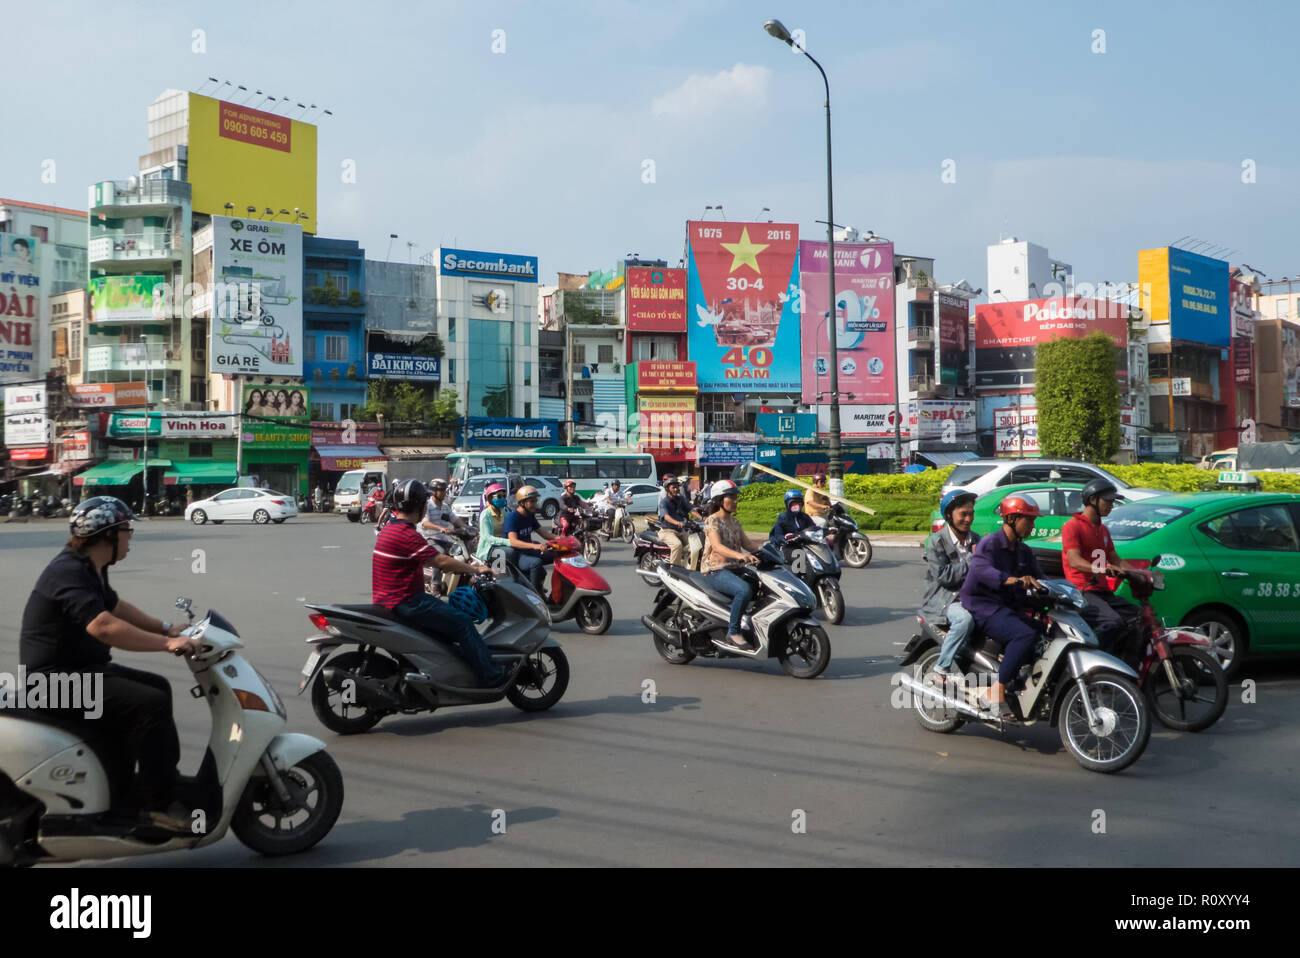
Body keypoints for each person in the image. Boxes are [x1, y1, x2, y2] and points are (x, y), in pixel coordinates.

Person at [19, 497, 201, 831]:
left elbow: (115, 607)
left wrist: (165, 628)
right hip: (51, 685)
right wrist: (167, 644)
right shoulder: (69, 571)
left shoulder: (88, 568)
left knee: (156, 686)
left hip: (77, 675)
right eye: (126, 531)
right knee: (152, 703)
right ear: (108, 535)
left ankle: (133, 788)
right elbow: (103, 626)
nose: (130, 538)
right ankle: (158, 804)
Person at [372, 479, 503, 685]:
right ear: (420, 506)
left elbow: (455, 522)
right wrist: (476, 569)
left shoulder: (390, 529)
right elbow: (441, 561)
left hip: (391, 600)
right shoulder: (406, 534)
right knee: (463, 623)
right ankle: (491, 675)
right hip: (408, 602)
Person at [958, 496, 1048, 714]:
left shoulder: (1023, 550)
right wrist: (1015, 580)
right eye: (1029, 520)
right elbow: (982, 571)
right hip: (984, 606)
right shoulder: (991, 543)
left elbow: (1042, 578)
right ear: (1012, 518)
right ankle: (995, 690)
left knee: (1045, 632)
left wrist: (1064, 591)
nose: (1033, 525)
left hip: (1008, 606)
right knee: (1023, 634)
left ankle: (1020, 681)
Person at [1061, 478, 1141, 661]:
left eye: (1112, 502)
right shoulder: (1072, 526)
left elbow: (1116, 560)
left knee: (1138, 617)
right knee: (1112, 622)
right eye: (1107, 501)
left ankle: (1125, 664)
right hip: (1082, 591)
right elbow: (1074, 561)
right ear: (1092, 500)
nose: (1111, 506)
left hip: (1103, 592)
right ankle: (1094, 662)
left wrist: (1143, 574)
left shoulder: (1103, 530)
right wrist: (1103, 569)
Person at [920, 489, 981, 678]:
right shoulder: (936, 542)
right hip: (946, 601)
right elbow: (944, 576)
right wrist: (973, 559)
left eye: (971, 513)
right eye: (963, 514)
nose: (968, 519)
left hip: (972, 597)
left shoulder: (976, 539)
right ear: (949, 515)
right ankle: (942, 667)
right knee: (964, 620)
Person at [700, 479, 766, 650]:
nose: (736, 501)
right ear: (719, 500)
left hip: (735, 568)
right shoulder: (712, 521)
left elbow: (748, 545)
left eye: (736, 497)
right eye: (731, 497)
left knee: (763, 585)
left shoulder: (735, 522)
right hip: (715, 570)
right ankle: (733, 631)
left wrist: (767, 549)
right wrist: (740, 555)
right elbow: (717, 546)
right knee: (743, 590)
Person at [505, 485, 558, 594]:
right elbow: (513, 541)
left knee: (558, 555)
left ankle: (552, 590)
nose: (535, 504)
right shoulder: (512, 518)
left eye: (535, 501)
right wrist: (535, 546)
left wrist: (564, 539)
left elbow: (545, 534)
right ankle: (533, 594)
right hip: (517, 554)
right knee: (536, 563)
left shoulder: (530, 516)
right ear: (522, 503)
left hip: (529, 551)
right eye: (532, 501)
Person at [658, 475, 701, 568]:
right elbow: (666, 516)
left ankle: (686, 566)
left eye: (677, 487)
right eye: (673, 487)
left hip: (681, 530)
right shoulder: (664, 502)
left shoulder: (681, 499)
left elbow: (691, 509)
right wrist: (677, 522)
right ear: (667, 489)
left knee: (695, 545)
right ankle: (673, 570)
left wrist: (702, 518)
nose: (676, 489)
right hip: (667, 531)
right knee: (677, 545)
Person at [476, 482, 512, 564]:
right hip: (489, 548)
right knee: (509, 552)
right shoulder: (485, 514)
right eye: (499, 497)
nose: (502, 498)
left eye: (504, 496)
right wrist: (508, 542)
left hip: (503, 545)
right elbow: (488, 538)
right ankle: (500, 575)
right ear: (490, 499)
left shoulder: (505, 511)